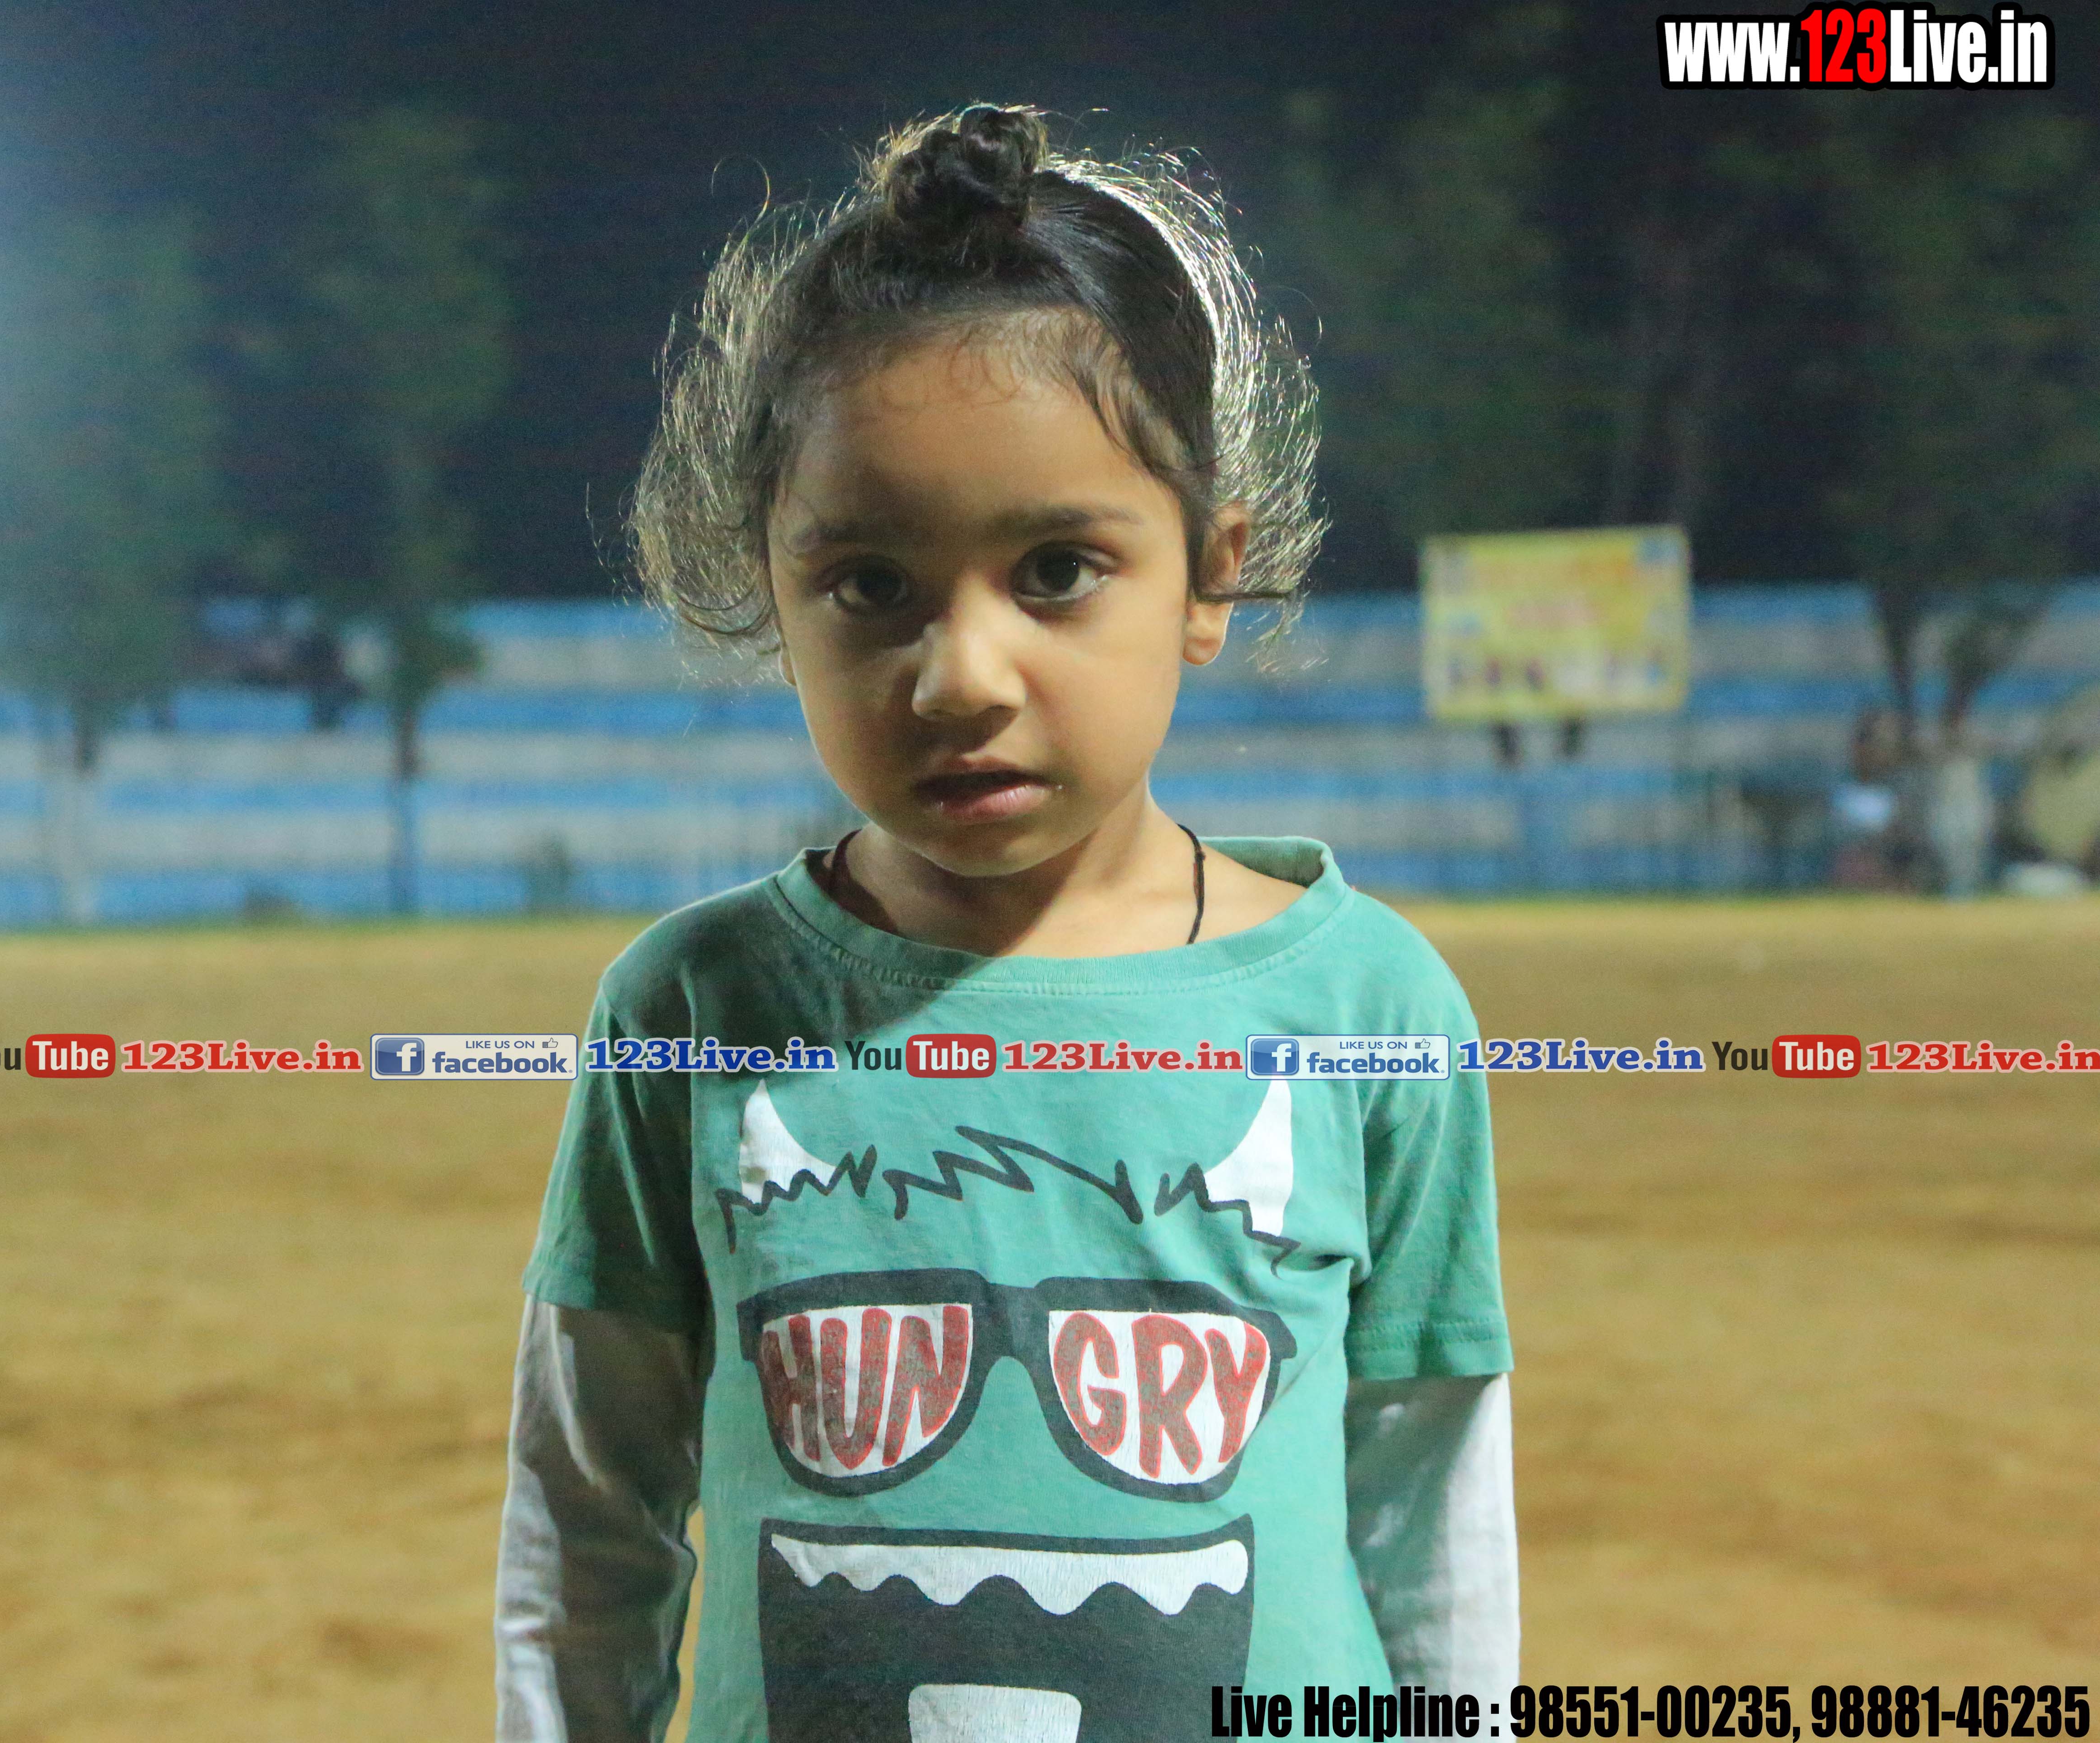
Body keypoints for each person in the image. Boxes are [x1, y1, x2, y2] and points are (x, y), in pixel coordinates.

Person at [497, 104, 1514, 1743]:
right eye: (868, 585)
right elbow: (590, 1515)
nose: (960, 677)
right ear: (772, 591)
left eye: (1055, 571)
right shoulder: (692, 1007)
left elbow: (1426, 1508)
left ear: (1208, 578)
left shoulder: (1366, 1006)